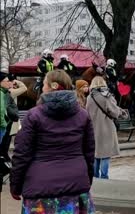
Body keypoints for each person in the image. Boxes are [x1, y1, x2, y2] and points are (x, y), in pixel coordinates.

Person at [10, 70, 95, 213]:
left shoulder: (33, 115)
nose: (42, 88)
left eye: (44, 84)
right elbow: (89, 153)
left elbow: (21, 154)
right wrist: (86, 179)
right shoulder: (83, 115)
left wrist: (15, 186)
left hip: (40, 188)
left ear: (51, 86)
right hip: (75, 186)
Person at [86, 76, 127, 179]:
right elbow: (114, 111)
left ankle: (95, 176)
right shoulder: (107, 96)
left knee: (96, 153)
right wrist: (121, 113)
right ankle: (104, 176)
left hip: (93, 128)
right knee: (105, 153)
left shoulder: (90, 97)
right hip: (106, 127)